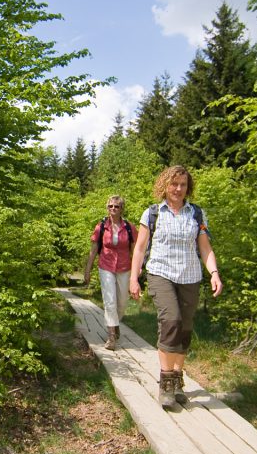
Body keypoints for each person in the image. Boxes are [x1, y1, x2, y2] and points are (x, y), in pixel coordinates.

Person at [128, 166, 223, 409]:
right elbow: (139, 248)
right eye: (174, 184)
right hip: (161, 273)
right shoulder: (152, 213)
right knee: (171, 321)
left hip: (190, 276)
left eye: (182, 184)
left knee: (185, 327)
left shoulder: (197, 214)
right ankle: (166, 382)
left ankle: (178, 378)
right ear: (165, 185)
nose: (178, 189)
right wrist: (133, 277)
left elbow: (205, 248)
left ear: (187, 187)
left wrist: (214, 272)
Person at [84, 195, 137, 351]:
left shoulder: (129, 227)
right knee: (110, 301)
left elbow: (135, 250)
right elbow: (94, 249)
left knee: (122, 302)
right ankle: (111, 336)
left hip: (124, 267)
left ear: (122, 209)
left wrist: (136, 269)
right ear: (107, 208)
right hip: (105, 266)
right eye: (111, 206)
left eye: (117, 206)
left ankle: (116, 323)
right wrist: (88, 269)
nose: (113, 209)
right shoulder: (101, 226)